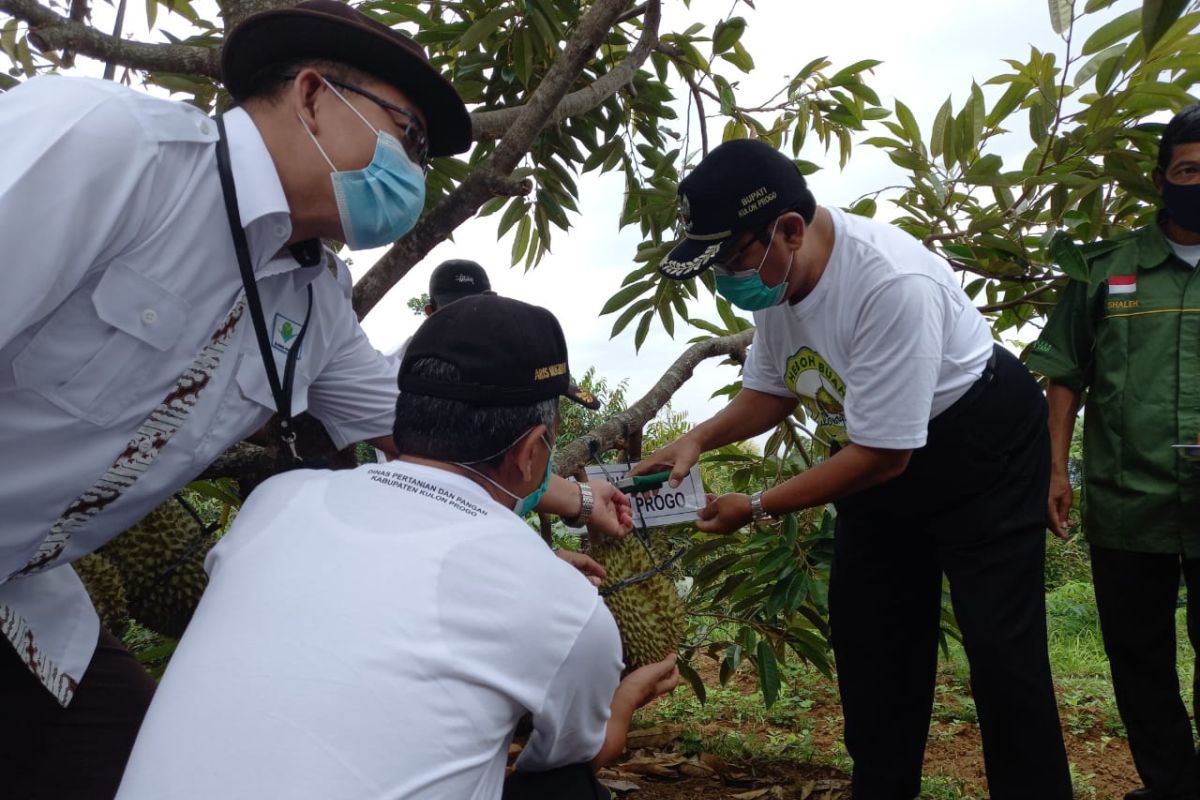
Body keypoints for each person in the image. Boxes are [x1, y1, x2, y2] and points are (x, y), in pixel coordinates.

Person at [0, 3, 628, 796]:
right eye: (409, 137)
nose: (415, 171)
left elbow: (422, 435)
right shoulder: (112, 147)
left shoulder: (313, 301)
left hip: (26, 592)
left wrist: (567, 502)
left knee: (122, 756)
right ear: (311, 95)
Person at [632, 138, 1072, 799]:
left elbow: (886, 457)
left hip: (980, 449)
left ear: (788, 228)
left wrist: (754, 507)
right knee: (873, 645)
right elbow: (772, 391)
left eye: (729, 257)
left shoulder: (890, 283)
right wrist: (697, 439)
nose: (726, 277)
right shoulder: (776, 280)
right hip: (870, 454)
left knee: (1003, 657)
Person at [116, 295, 681, 800]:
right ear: (533, 448)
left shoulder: (278, 500)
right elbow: (576, 756)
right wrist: (627, 699)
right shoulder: (564, 606)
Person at [1028, 103, 1200, 800]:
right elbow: (1065, 373)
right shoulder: (1106, 270)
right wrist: (1053, 469)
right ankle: (1170, 786)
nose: (1198, 181)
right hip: (1130, 500)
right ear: (1161, 179)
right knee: (1137, 658)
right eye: (1188, 169)